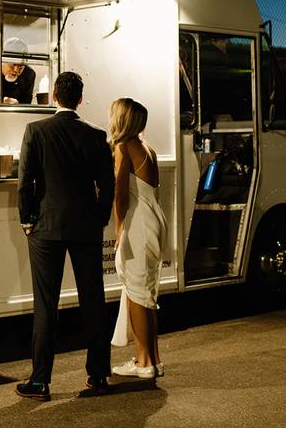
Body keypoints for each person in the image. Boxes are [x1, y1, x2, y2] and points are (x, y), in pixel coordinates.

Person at [15, 71, 115, 400]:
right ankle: (98, 376)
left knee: (46, 305)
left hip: (45, 228)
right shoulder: (95, 136)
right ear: (80, 99)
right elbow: (107, 184)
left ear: (54, 96)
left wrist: (27, 220)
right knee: (93, 301)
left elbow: (25, 181)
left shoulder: (36, 131)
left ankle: (41, 381)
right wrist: (100, 218)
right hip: (85, 227)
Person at [108, 97, 169, 379]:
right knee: (147, 294)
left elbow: (120, 194)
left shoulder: (123, 147)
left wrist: (118, 228)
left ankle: (144, 363)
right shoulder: (148, 148)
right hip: (154, 219)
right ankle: (152, 358)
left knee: (137, 293)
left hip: (138, 223)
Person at [1, 37, 36, 105]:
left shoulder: (29, 74)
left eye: (21, 66)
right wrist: (0, 101)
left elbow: (26, 104)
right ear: (3, 60)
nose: (16, 70)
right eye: (13, 64)